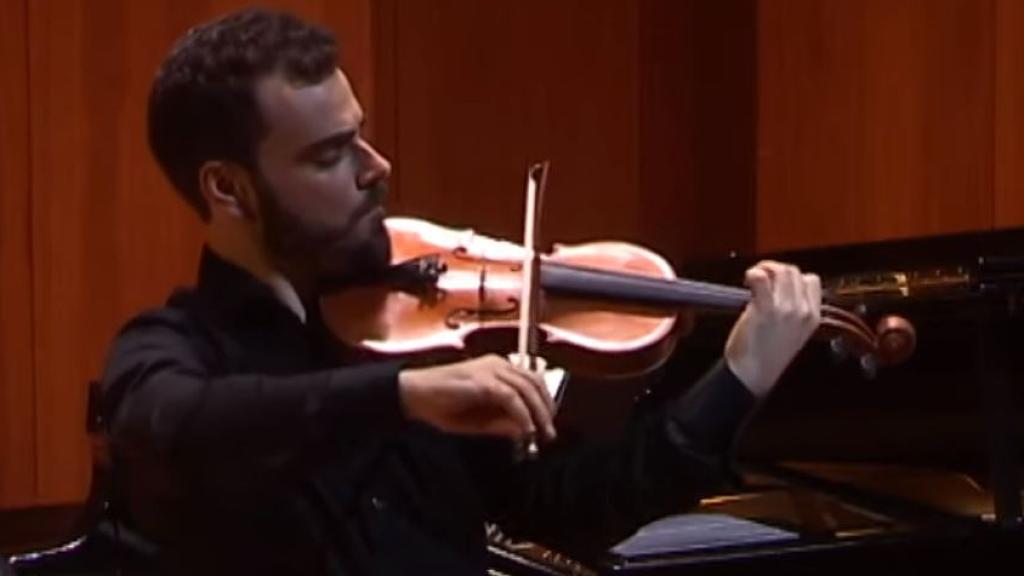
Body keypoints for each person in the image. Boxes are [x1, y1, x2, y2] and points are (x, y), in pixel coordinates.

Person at [101, 7, 821, 576]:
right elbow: (172, 426)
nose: (376, 167)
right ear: (229, 189)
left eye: (360, 135)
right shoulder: (172, 351)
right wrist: (400, 396)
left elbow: (572, 506)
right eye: (329, 155)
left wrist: (739, 378)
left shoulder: (416, 333)